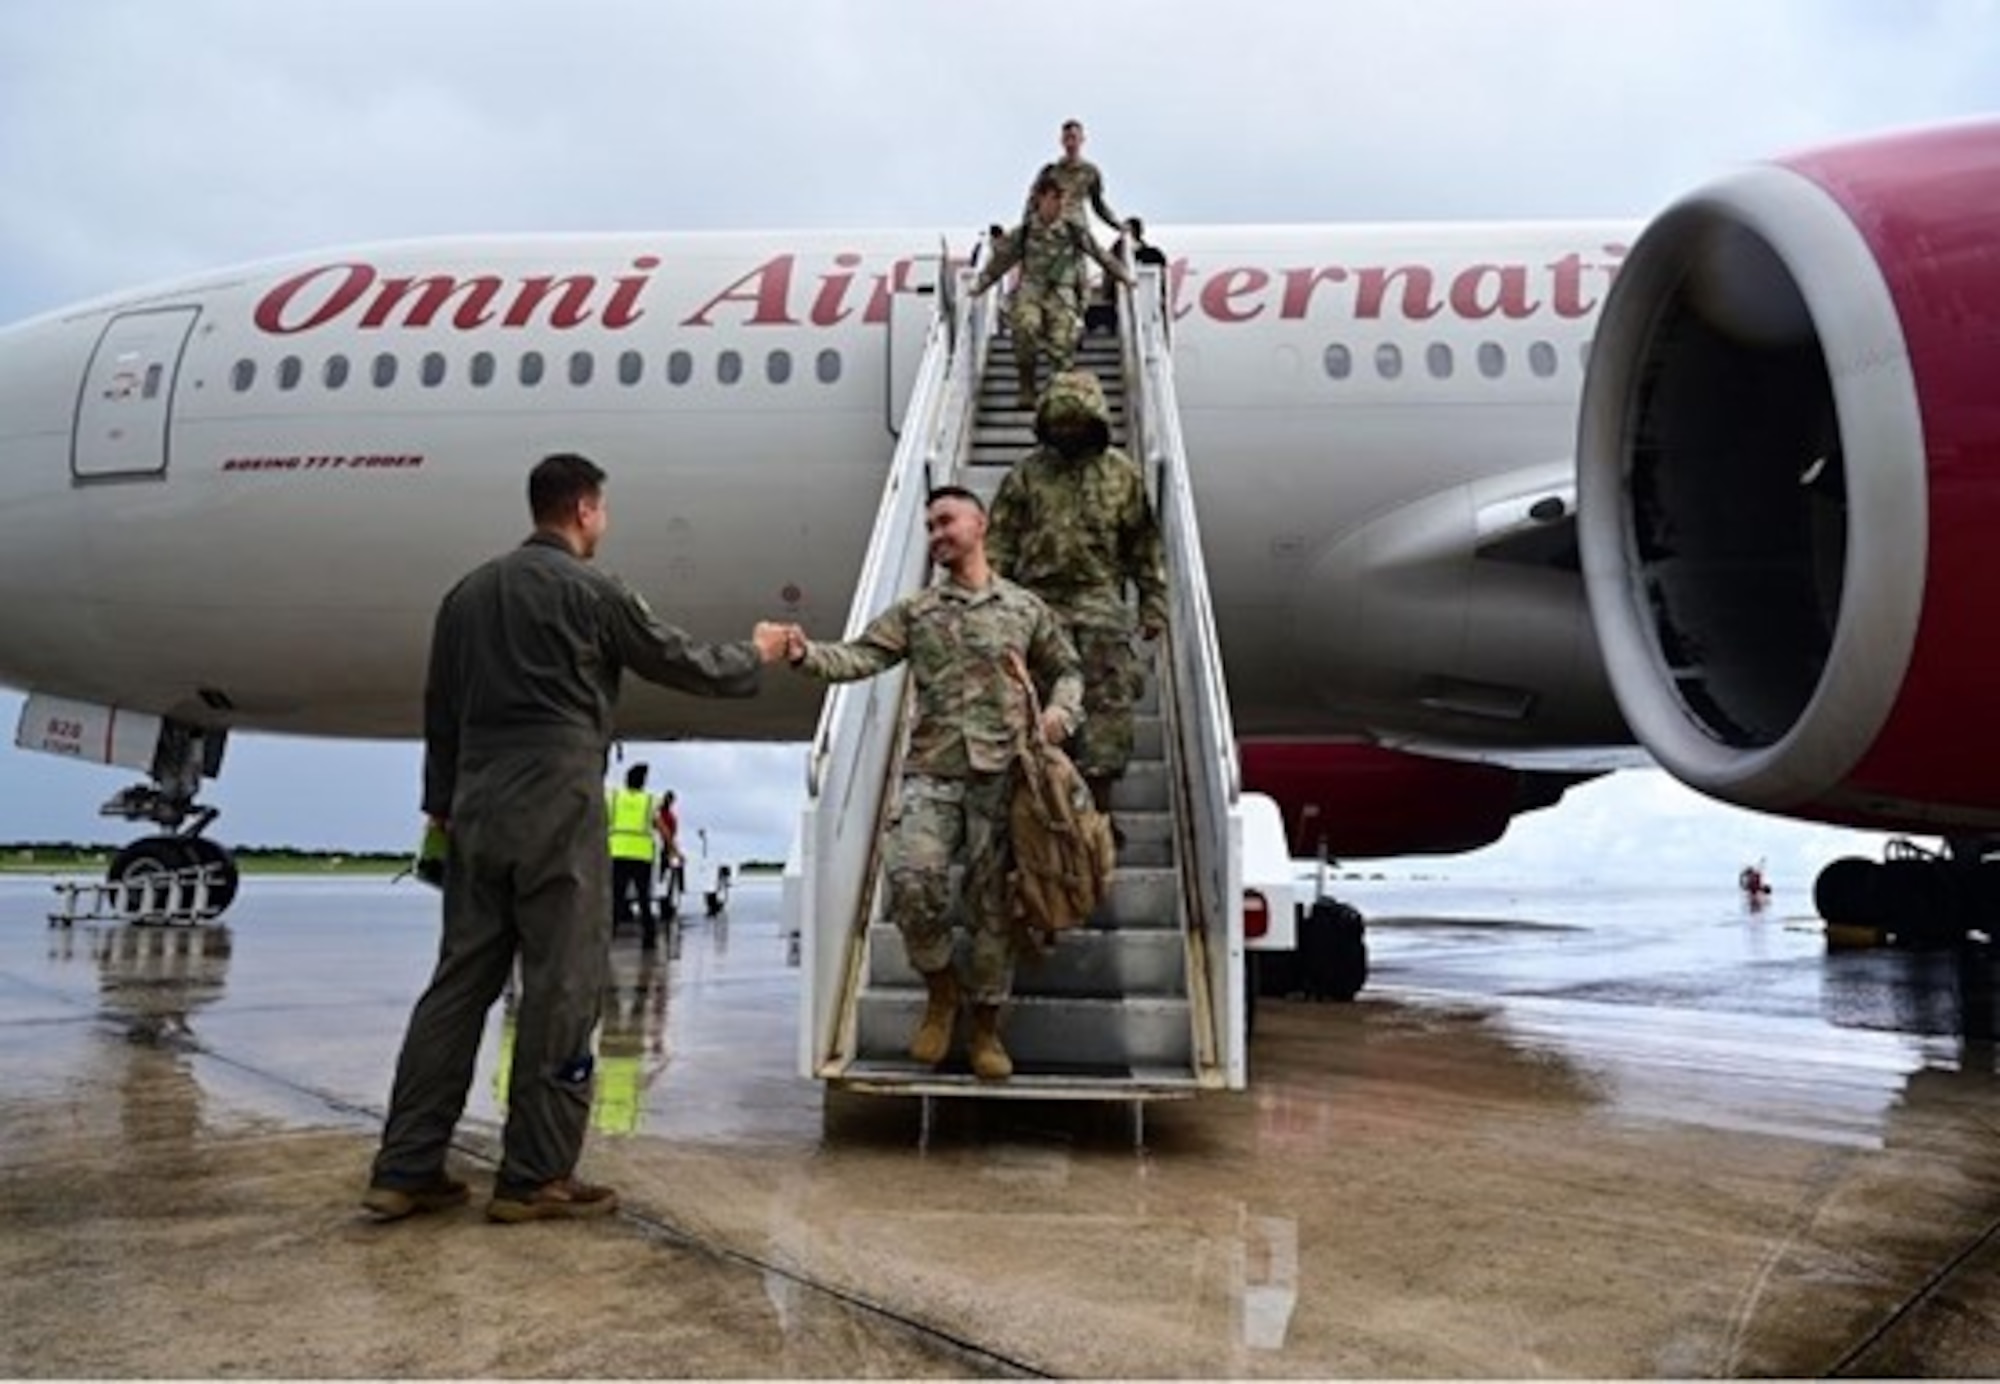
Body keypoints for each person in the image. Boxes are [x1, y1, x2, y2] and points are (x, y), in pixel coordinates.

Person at [363, 451, 791, 1225]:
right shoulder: (595, 591)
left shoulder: (465, 596)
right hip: (557, 802)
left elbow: (440, 710)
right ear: (586, 510)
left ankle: (404, 1168)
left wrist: (441, 804)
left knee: (458, 986)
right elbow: (683, 661)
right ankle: (533, 1177)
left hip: (474, 804)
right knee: (562, 986)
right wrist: (754, 655)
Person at [786, 486, 1082, 1081]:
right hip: (933, 772)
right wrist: (803, 654)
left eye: (946, 521)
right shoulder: (918, 612)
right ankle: (942, 988)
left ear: (981, 523)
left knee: (994, 913)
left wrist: (1059, 715)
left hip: (1004, 779)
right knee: (913, 884)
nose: (936, 533)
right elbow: (860, 657)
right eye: (929, 525)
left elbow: (1068, 669)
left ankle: (986, 1030)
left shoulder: (1024, 609)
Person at [987, 370, 1167, 827]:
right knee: (1037, 713)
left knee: (1107, 712)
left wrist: (1154, 603)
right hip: (1037, 609)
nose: (1068, 432)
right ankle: (1045, 818)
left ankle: (1099, 819)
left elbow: (1143, 546)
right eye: (1060, 423)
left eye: (1076, 423)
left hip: (1100, 608)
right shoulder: (1026, 476)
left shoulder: (1120, 476)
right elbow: (1000, 544)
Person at [969, 174, 1132, 410]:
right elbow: (1000, 262)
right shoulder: (1024, 232)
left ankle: (1057, 394)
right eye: (1055, 198)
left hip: (1061, 293)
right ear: (1041, 199)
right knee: (1025, 327)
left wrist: (1125, 276)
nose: (1059, 204)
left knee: (1063, 341)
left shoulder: (1072, 231)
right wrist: (978, 286)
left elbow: (1100, 254)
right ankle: (1027, 386)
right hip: (1031, 290)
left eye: (1062, 199)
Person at [606, 762, 661, 948]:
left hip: (618, 853)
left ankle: (608, 936)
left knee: (616, 897)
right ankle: (649, 938)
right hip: (642, 856)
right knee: (644, 898)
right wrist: (674, 848)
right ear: (643, 782)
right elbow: (661, 826)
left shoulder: (614, 798)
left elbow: (600, 820)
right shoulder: (649, 800)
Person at [655, 788, 684, 910]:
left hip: (665, 844)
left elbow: (672, 833)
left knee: (674, 864)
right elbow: (670, 833)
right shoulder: (665, 815)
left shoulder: (667, 815)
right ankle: (671, 887)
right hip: (664, 845)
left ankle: (671, 886)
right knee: (675, 864)